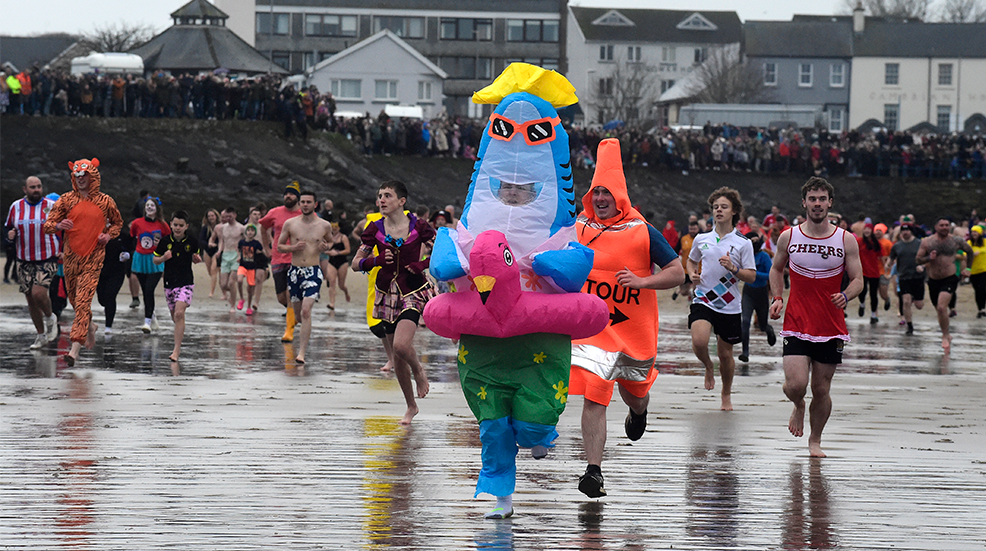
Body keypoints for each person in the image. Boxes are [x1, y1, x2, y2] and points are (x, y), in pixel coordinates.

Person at [570, 139, 684, 498]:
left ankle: (639, 411)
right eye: (596, 192)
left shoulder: (642, 230)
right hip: (593, 330)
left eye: (607, 192)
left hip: (633, 331)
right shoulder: (578, 227)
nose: (601, 198)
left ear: (619, 196)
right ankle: (594, 471)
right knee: (595, 393)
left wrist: (642, 281)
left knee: (634, 395)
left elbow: (678, 272)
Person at [768, 177, 862, 458]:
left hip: (830, 326)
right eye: (812, 199)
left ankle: (815, 440)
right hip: (796, 322)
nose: (817, 204)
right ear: (804, 202)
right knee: (796, 385)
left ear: (830, 203)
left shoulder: (845, 239)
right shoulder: (789, 236)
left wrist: (846, 295)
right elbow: (776, 270)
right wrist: (777, 298)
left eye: (822, 199)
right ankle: (797, 404)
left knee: (821, 389)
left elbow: (858, 279)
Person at [352, 181, 435, 425]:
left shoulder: (419, 226)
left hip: (413, 290)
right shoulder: (374, 229)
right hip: (386, 293)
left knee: (400, 346)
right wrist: (375, 260)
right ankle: (411, 406)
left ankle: (419, 370)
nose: (382, 200)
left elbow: (441, 251)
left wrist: (421, 264)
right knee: (398, 359)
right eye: (379, 196)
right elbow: (356, 262)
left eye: (388, 195)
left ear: (402, 201)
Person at [43, 158, 123, 366]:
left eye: (84, 175)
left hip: (94, 259)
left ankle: (74, 349)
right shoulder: (66, 200)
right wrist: (59, 224)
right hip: (70, 259)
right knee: (75, 301)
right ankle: (90, 326)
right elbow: (47, 225)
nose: (80, 179)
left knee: (83, 301)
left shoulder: (106, 201)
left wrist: (108, 236)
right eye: (77, 176)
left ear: (93, 176)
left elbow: (117, 224)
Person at [687, 187, 756, 411]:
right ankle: (708, 365)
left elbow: (751, 276)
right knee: (699, 342)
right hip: (703, 298)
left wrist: (734, 268)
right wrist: (691, 274)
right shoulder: (701, 238)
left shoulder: (743, 243)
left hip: (729, 304)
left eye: (724, 207)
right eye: (716, 207)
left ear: (734, 211)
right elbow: (690, 261)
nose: (719, 210)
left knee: (726, 355)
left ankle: (726, 394)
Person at [5, 176, 60, 348]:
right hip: (24, 259)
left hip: (47, 256)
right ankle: (41, 335)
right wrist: (9, 236)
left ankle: (51, 317)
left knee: (39, 294)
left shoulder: (51, 207)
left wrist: (65, 249)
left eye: (39, 186)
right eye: (32, 187)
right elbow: (8, 228)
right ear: (25, 189)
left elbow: (66, 228)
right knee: (30, 300)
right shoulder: (16, 207)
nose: (36, 190)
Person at [278, 191, 333, 364]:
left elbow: (330, 242)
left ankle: (301, 353)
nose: (305, 205)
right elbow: (279, 246)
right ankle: (304, 329)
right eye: (302, 202)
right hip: (295, 272)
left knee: (306, 310)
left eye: (309, 202)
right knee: (299, 315)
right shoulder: (290, 224)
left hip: (313, 271)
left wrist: (325, 246)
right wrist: (293, 247)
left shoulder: (324, 225)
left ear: (315, 204)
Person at [916, 217, 974, 352]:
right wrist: (928, 258)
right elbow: (918, 259)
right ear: (936, 227)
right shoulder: (927, 242)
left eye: (946, 225)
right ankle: (946, 333)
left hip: (950, 277)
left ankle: (945, 335)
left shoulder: (956, 241)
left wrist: (968, 269)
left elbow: (969, 252)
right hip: (933, 279)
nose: (944, 227)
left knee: (942, 307)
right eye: (941, 225)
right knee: (939, 310)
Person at [153, 210, 201, 361]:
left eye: (181, 225)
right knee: (176, 317)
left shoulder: (192, 242)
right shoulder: (165, 242)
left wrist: (196, 259)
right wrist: (163, 258)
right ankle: (180, 333)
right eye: (175, 225)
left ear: (186, 226)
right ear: (171, 225)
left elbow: (196, 257)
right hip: (169, 283)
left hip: (186, 282)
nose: (178, 228)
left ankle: (176, 351)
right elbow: (155, 260)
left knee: (180, 313)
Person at [259, 182, 303, 342]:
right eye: (286, 194)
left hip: (296, 259)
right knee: (281, 297)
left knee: (290, 294)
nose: (287, 196)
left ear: (297, 198)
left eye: (291, 194)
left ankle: (288, 331)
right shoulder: (275, 212)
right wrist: (266, 248)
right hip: (277, 258)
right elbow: (263, 227)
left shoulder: (303, 213)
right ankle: (296, 314)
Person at [130, 196, 170, 333]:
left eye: (152, 205)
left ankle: (146, 322)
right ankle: (151, 315)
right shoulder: (137, 223)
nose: (149, 207)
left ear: (157, 208)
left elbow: (168, 242)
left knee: (149, 290)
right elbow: (132, 237)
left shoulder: (163, 225)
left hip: (156, 260)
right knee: (145, 290)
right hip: (140, 259)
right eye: (147, 205)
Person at [738, 230, 776, 363]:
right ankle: (745, 352)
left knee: (762, 325)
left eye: (756, 241)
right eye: (751, 242)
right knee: (745, 322)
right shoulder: (743, 256)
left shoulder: (764, 256)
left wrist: (754, 273)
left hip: (761, 292)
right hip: (748, 292)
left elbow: (770, 275)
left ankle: (768, 330)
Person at [890, 223, 925, 335]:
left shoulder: (919, 244)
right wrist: (887, 266)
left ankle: (915, 298)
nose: (905, 233)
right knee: (906, 301)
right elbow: (891, 258)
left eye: (907, 230)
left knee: (919, 305)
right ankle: (909, 326)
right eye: (903, 231)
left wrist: (923, 266)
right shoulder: (897, 246)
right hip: (904, 277)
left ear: (911, 231)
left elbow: (928, 259)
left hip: (918, 277)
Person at [96, 231, 132, 335]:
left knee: (110, 296)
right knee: (102, 300)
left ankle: (108, 326)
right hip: (100, 270)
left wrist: (126, 255)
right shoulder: (96, 231)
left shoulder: (122, 234)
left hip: (117, 271)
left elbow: (130, 248)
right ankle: (108, 308)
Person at [214, 207, 244, 313]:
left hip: (236, 256)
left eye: (230, 216)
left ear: (235, 215)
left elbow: (244, 242)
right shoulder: (223, 228)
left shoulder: (241, 228)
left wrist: (242, 255)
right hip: (226, 255)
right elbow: (221, 241)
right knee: (223, 284)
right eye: (226, 217)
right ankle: (235, 294)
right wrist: (219, 251)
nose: (228, 218)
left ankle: (232, 306)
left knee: (231, 282)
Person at [856, 223, 885, 324]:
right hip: (862, 271)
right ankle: (862, 304)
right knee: (862, 291)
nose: (867, 231)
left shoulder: (876, 243)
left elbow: (882, 257)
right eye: (865, 229)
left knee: (873, 294)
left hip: (874, 272)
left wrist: (885, 270)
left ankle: (873, 315)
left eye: (869, 229)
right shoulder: (859, 241)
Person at [323, 222, 351, 311]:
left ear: (339, 227)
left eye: (336, 226)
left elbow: (348, 250)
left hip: (342, 262)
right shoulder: (328, 238)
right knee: (332, 282)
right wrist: (327, 251)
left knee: (341, 285)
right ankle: (332, 303)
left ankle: (346, 292)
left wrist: (337, 252)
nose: (334, 228)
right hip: (331, 262)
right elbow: (324, 248)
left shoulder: (343, 237)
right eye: (332, 227)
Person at [237, 224, 264, 315]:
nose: (250, 232)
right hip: (242, 266)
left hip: (252, 268)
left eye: (252, 231)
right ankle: (241, 299)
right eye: (248, 230)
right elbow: (238, 250)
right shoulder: (241, 242)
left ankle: (248, 307)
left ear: (254, 233)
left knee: (250, 288)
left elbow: (262, 251)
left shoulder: (256, 243)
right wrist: (238, 256)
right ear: (245, 232)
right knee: (239, 280)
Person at [246, 205, 269, 310]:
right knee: (251, 280)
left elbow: (270, 239)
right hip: (249, 254)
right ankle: (249, 299)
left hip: (261, 254)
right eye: (254, 214)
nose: (257, 216)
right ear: (250, 215)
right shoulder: (246, 227)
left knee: (259, 278)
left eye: (258, 214)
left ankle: (256, 302)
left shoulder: (264, 227)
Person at [673, 219, 699, 301]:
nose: (692, 231)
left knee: (697, 290)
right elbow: (676, 250)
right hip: (685, 269)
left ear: (698, 229)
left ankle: (693, 296)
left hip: (699, 269)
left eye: (694, 229)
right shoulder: (684, 239)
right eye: (691, 229)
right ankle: (680, 291)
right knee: (684, 292)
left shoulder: (702, 239)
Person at [199, 209, 220, 298]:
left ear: (216, 216)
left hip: (217, 250)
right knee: (210, 272)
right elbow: (200, 240)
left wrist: (217, 246)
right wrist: (208, 244)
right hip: (207, 250)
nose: (211, 218)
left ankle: (211, 292)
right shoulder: (205, 228)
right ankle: (217, 283)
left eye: (212, 216)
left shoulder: (220, 227)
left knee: (213, 270)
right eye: (209, 216)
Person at [968, 225, 986, 318]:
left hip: (984, 270)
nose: (974, 233)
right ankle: (981, 309)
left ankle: (983, 308)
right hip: (973, 271)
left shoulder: (985, 242)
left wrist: (980, 252)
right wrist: (971, 254)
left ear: (980, 233)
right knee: (978, 290)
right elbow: (964, 254)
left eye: (976, 232)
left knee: (983, 288)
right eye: (972, 232)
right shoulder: (969, 243)